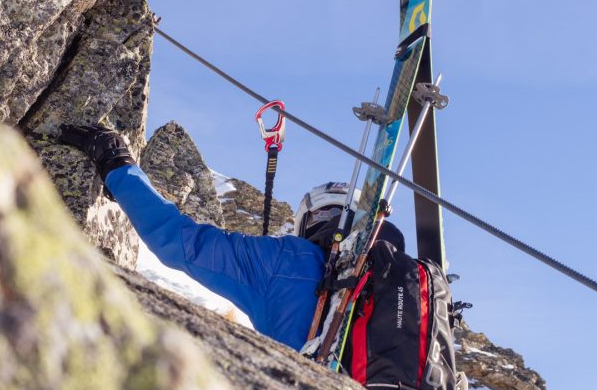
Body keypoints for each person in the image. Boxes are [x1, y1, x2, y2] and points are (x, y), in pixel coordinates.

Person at [58, 124, 404, 350]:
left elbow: (178, 242)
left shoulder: (286, 260)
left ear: (308, 222)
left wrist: (117, 166)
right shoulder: (402, 287)